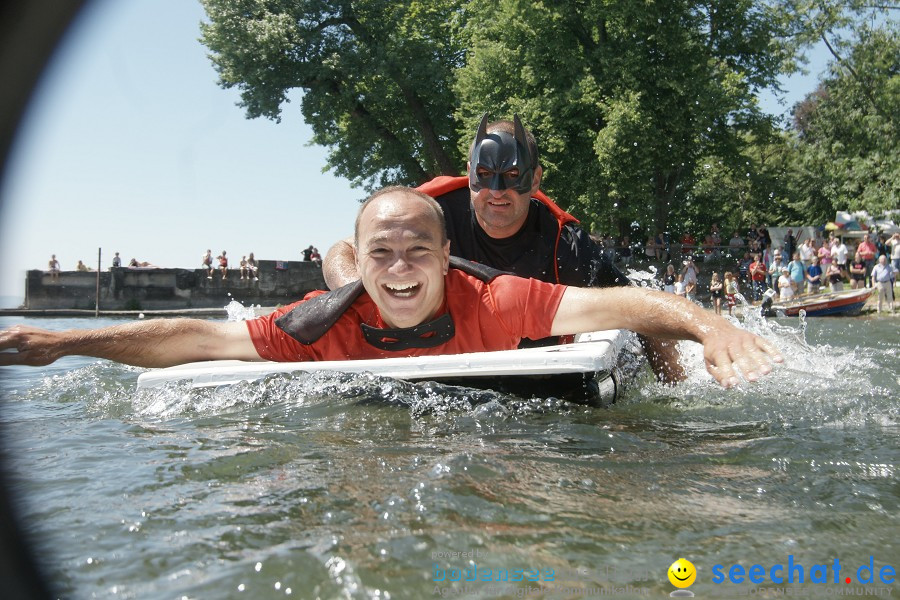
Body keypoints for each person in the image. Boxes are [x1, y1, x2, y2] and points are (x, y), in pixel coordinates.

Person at [0, 187, 782, 389]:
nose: (402, 266)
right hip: (342, 299)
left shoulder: (501, 299)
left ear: (449, 262)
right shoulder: (318, 325)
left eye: (418, 251)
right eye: (385, 253)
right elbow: (198, 338)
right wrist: (55, 345)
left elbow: (631, 305)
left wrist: (710, 325)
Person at [322, 114, 684, 383]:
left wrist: (675, 389)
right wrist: (360, 295)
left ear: (535, 179)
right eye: (484, 176)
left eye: (512, 178)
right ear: (469, 172)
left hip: (530, 367)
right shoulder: (430, 211)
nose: (496, 191)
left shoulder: (566, 244)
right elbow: (342, 251)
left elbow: (637, 307)